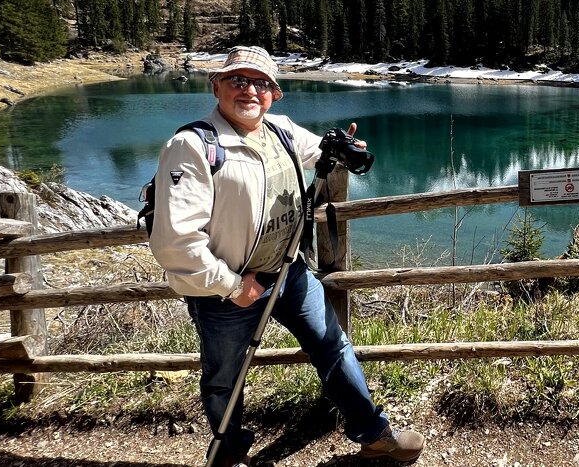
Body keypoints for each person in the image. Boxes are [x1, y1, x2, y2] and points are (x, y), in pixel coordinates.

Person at [148, 46, 424, 466]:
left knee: (333, 346)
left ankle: (374, 434)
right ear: (216, 86)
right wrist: (231, 285)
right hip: (226, 288)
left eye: (260, 83)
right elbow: (175, 242)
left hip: (288, 273)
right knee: (224, 378)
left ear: (275, 93)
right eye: (238, 80)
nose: (249, 90)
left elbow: (315, 151)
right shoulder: (192, 146)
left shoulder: (279, 130)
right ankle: (229, 452)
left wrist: (344, 149)